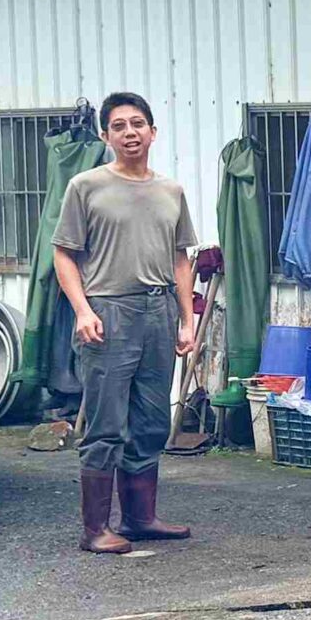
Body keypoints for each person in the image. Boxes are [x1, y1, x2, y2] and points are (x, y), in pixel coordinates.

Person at [53, 92, 198, 554]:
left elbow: (180, 259)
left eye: (138, 124)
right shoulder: (86, 186)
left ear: (153, 132)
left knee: (152, 420)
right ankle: (95, 529)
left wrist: (186, 319)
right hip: (108, 312)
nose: (130, 133)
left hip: (159, 312)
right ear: (105, 136)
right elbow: (63, 254)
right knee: (106, 423)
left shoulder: (171, 191)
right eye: (119, 126)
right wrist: (83, 310)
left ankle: (139, 518)